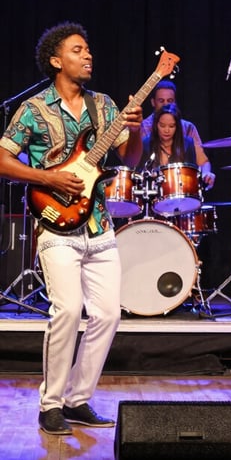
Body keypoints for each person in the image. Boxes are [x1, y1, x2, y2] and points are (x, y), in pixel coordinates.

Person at [0, 22, 143, 435]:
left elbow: (129, 159)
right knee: (66, 310)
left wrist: (133, 129)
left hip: (98, 223)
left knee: (107, 315)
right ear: (56, 61)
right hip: (56, 224)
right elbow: (4, 160)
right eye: (79, 50)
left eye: (89, 49)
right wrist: (48, 179)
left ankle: (78, 399)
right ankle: (50, 403)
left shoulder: (104, 105)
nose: (88, 55)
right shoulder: (33, 108)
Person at [140, 79, 215, 189]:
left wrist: (206, 173)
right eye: (161, 100)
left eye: (170, 100)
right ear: (153, 102)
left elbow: (203, 162)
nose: (165, 104)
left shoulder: (188, 128)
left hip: (183, 188)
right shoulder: (142, 128)